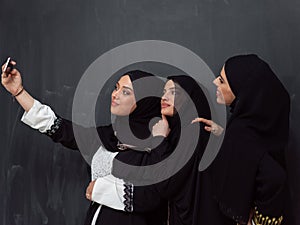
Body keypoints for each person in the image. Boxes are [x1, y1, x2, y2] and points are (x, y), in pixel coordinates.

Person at [1, 60, 168, 225]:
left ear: (144, 102)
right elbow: (60, 128)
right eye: (116, 88)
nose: (115, 94)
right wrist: (19, 92)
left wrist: (100, 189)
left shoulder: (157, 146)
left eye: (126, 92)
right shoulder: (109, 135)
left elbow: (154, 195)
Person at [85, 75, 212, 225]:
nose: (164, 97)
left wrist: (159, 139)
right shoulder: (175, 130)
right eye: (164, 92)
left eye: (174, 93)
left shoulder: (192, 133)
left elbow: (166, 184)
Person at [193, 54, 290, 225]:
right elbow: (255, 152)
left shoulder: (240, 132)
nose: (215, 82)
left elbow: (274, 177)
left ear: (241, 90)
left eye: (222, 81)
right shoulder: (260, 123)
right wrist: (224, 134)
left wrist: (261, 221)